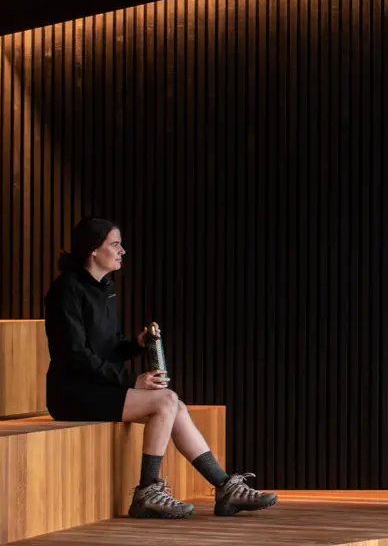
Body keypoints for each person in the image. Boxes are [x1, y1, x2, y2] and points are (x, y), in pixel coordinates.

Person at [43, 216, 278, 520]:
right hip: (72, 393)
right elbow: (75, 356)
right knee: (165, 400)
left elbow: (106, 348)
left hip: (97, 385)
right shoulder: (66, 291)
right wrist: (132, 381)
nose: (122, 251)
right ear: (92, 250)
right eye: (115, 244)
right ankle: (147, 491)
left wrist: (136, 345)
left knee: (175, 405)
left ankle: (224, 488)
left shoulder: (104, 287)